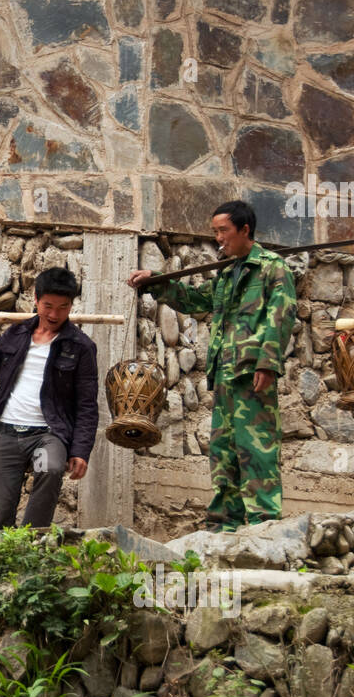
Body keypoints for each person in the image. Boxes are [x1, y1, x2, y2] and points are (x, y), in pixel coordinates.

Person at [127, 201, 297, 532]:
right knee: (223, 451)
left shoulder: (271, 268)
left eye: (223, 231)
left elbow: (282, 315)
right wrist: (157, 281)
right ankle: (225, 523)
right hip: (224, 377)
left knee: (256, 446)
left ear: (245, 230)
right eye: (215, 231)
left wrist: (267, 363)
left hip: (252, 374)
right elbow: (196, 300)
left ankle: (265, 523)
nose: (218, 238)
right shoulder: (227, 273)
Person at [0, 267, 98, 529]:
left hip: (47, 436)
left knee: (49, 467)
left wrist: (81, 450)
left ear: (71, 305)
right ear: (35, 300)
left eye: (63, 307)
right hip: (7, 433)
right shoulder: (17, 334)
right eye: (47, 305)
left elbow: (87, 405)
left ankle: (32, 541)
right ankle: (1, 561)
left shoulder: (80, 346)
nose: (53, 314)